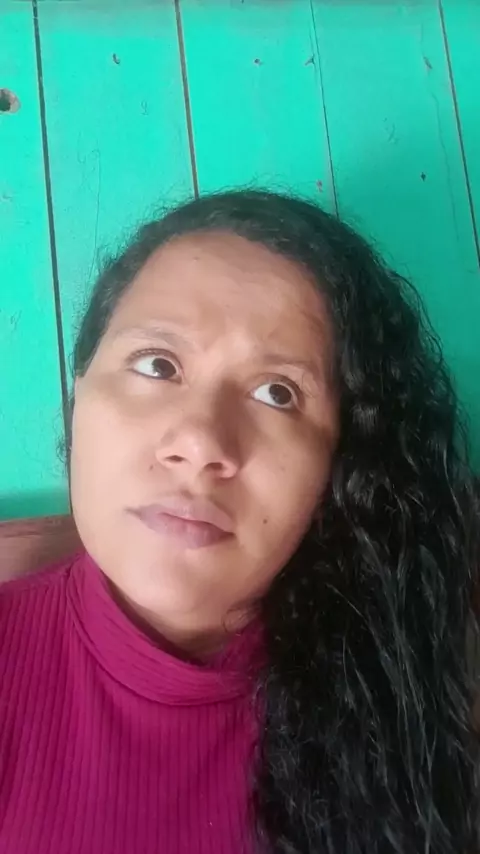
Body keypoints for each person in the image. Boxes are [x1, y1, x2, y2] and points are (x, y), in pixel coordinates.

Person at [0, 190, 478, 854]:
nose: (201, 441)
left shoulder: (414, 693)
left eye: (277, 393)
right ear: (79, 393)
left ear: (338, 463)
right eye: (158, 364)